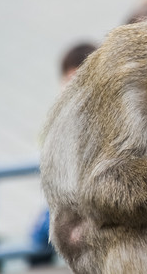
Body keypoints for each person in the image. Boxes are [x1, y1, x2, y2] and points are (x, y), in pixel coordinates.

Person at [30, 42, 97, 265]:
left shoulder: (97, 120)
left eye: (78, 81)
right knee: (37, 245)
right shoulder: (58, 120)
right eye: (67, 81)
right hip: (62, 204)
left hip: (85, 204)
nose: (71, 89)